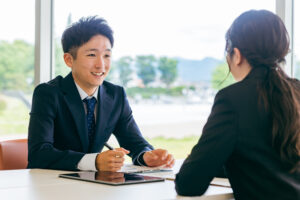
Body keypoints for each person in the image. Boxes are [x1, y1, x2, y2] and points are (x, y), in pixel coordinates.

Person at [175, 10, 300, 199]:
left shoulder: (233, 99)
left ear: (237, 54)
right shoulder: (296, 91)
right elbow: (269, 161)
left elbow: (189, 183)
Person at [28, 16, 174, 172]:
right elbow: (39, 154)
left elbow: (135, 143)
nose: (101, 65)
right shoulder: (48, 93)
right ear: (69, 60)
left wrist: (146, 156)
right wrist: (94, 162)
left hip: (96, 185)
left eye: (107, 55)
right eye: (91, 55)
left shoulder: (116, 95)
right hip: (50, 185)